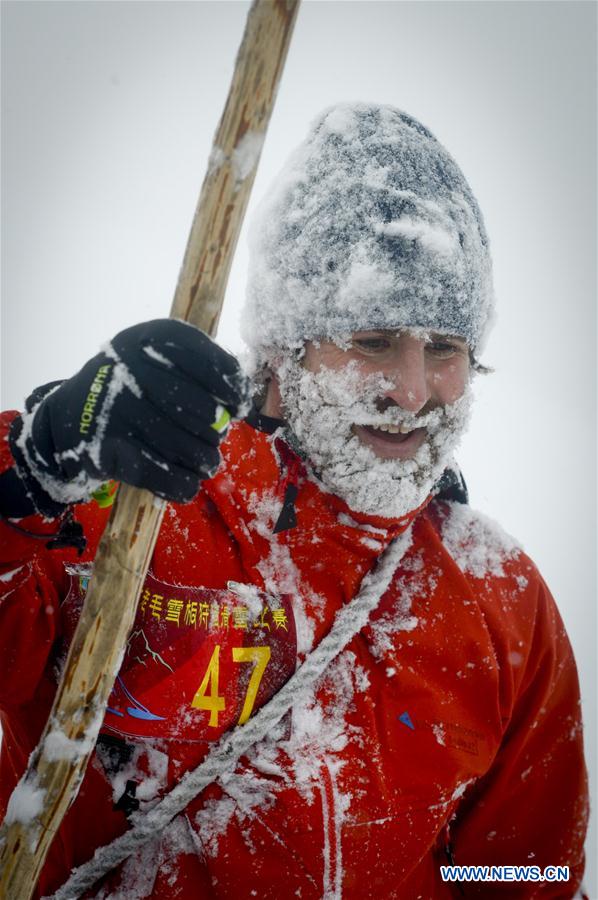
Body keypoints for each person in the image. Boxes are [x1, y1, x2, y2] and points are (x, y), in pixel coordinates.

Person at [0, 104, 588, 898]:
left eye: (444, 349)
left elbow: (526, 870)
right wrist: (29, 466)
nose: (412, 393)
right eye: (374, 341)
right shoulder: (131, 518)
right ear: (283, 343)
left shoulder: (500, 597)